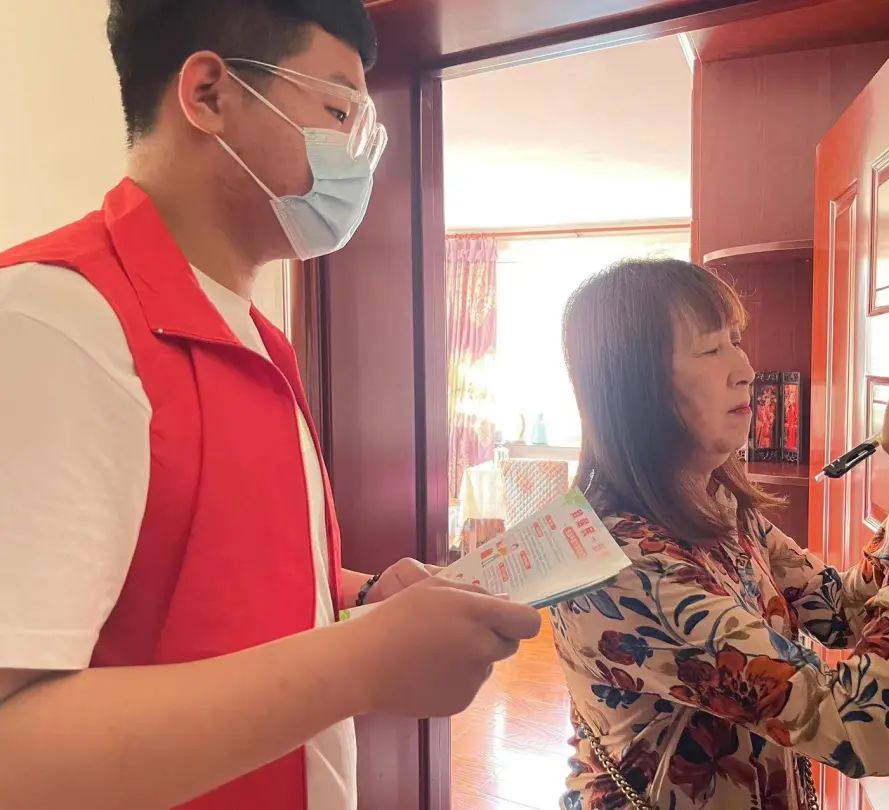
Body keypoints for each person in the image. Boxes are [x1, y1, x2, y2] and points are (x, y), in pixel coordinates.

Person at [0, 2, 540, 808]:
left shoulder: (256, 338)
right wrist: (362, 663)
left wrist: (357, 599)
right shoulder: (55, 322)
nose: (357, 156)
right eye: (339, 111)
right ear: (209, 94)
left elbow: (193, 576)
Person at [552, 258, 889, 809]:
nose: (746, 368)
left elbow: (839, 610)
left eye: (735, 341)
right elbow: (869, 730)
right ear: (635, 388)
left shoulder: (713, 501)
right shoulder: (621, 568)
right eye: (711, 349)